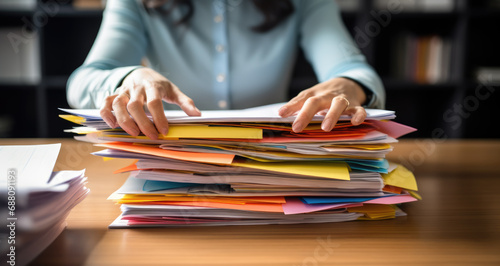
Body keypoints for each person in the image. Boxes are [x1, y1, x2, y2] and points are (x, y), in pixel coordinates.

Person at [67, 0, 385, 140]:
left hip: (275, 158)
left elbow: (354, 70)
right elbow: (83, 82)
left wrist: (348, 84)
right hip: (169, 157)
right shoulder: (136, 2)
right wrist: (129, 76)